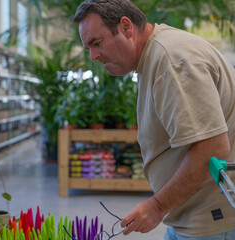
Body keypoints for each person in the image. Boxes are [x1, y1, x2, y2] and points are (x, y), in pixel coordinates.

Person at [73, 0, 235, 239]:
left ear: (126, 27)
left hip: (210, 223)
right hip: (190, 216)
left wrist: (158, 206)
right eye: (88, 48)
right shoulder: (155, 56)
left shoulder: (171, 60)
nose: (93, 56)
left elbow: (213, 147)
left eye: (96, 43)